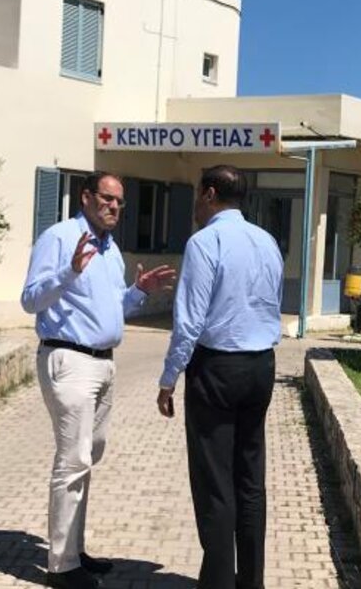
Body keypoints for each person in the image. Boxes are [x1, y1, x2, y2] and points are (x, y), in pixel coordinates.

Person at [20, 171, 176, 589]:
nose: (115, 207)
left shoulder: (111, 250)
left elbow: (111, 307)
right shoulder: (59, 238)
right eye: (107, 199)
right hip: (68, 358)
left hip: (104, 363)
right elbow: (30, 300)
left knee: (91, 453)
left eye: (120, 202)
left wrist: (139, 290)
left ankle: (74, 549)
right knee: (73, 460)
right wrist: (67, 273)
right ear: (86, 197)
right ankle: (62, 566)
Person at [157, 165, 284, 589]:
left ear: (209, 194)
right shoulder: (267, 241)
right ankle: (251, 582)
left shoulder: (204, 242)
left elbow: (189, 321)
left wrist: (169, 376)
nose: (195, 205)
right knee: (250, 478)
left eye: (198, 195)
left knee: (214, 480)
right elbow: (271, 304)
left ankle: (217, 583)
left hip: (217, 367)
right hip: (261, 365)